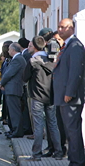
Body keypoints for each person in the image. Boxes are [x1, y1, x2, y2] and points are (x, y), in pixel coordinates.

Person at [22, 36, 62, 161]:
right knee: (53, 124)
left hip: (36, 96)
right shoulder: (52, 59)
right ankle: (59, 152)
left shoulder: (33, 61)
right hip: (51, 96)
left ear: (34, 46)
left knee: (38, 125)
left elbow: (24, 78)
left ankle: (36, 154)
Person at [52, 18, 85, 166]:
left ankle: (77, 161)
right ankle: (74, 159)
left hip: (70, 97)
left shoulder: (75, 46)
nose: (60, 30)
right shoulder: (67, 45)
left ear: (71, 28)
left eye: (63, 27)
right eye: (59, 27)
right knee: (69, 130)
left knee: (72, 130)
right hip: (63, 96)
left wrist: (69, 92)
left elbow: (76, 72)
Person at [0, 43, 26, 139]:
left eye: (10, 49)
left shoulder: (18, 59)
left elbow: (9, 73)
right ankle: (14, 130)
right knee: (13, 111)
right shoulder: (17, 59)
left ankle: (17, 131)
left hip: (14, 88)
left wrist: (1, 83)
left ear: (14, 50)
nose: (8, 51)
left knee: (15, 111)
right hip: (12, 88)